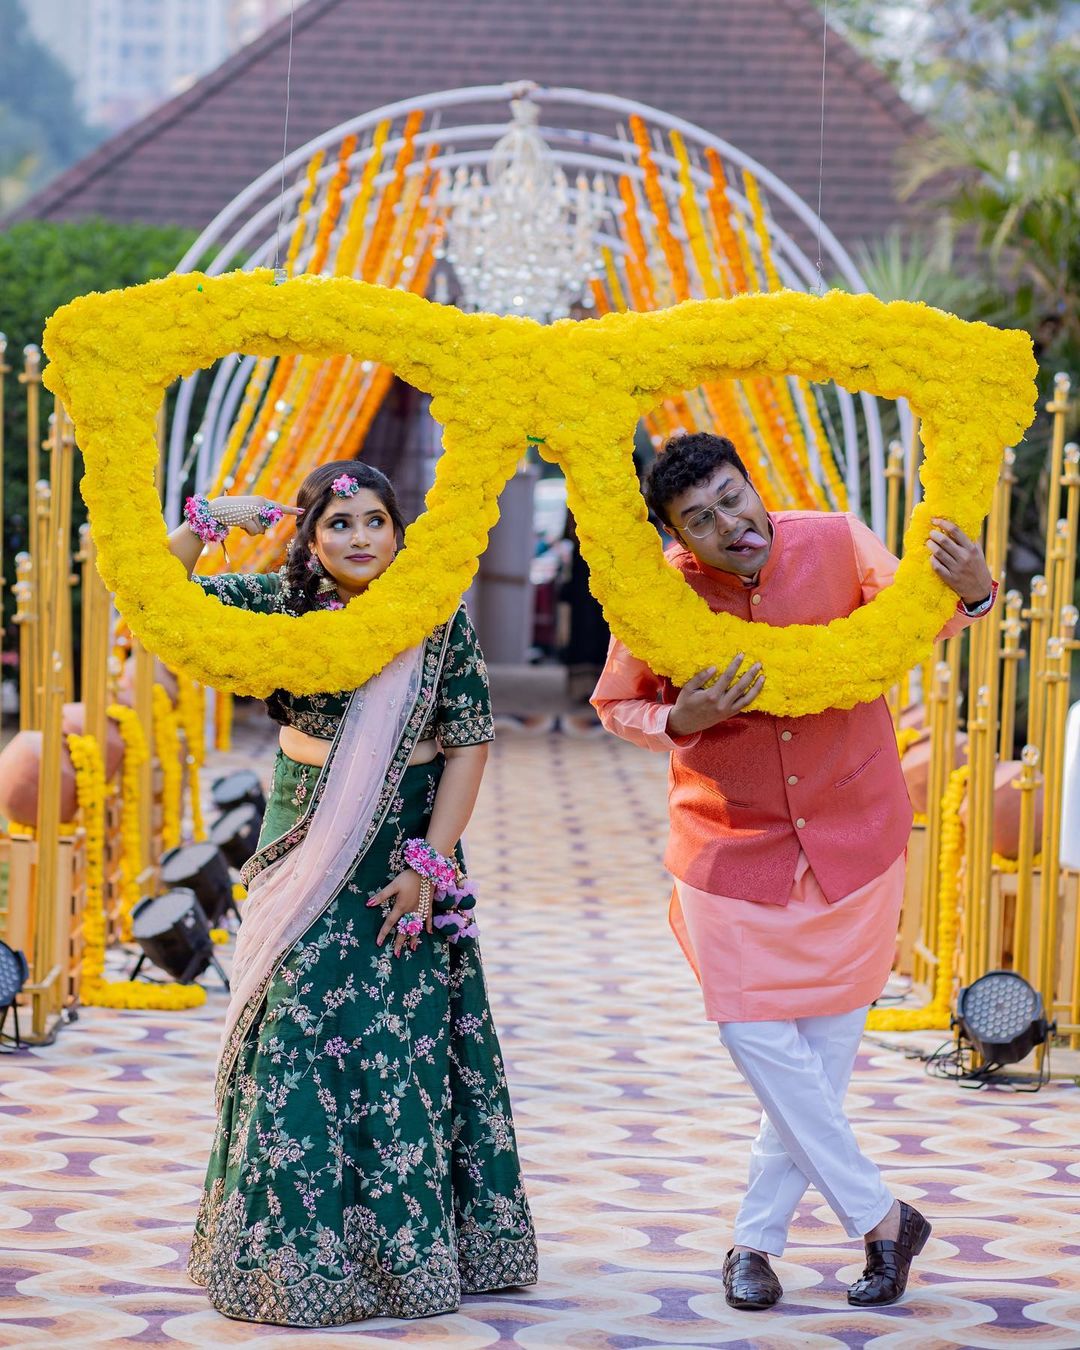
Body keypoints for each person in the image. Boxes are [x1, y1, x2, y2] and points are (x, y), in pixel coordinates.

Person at [591, 432, 997, 1312]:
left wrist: (976, 591)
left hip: (855, 838)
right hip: (727, 849)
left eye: (734, 499)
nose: (729, 524)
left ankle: (754, 1244)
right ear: (676, 537)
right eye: (700, 519)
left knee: (818, 1065)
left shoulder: (839, 538)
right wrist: (678, 716)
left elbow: (916, 617)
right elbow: (617, 703)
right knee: (755, 1038)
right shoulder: (657, 591)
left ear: (753, 487)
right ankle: (882, 1217)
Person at [171, 461, 537, 1327]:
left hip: (402, 856)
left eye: (375, 520)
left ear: (398, 531)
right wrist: (210, 518)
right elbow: (159, 599)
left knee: (394, 1046)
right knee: (292, 1030)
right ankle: (284, 1259)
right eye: (339, 524)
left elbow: (469, 743)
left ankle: (401, 1258)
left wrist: (429, 864)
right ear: (309, 536)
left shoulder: (433, 619)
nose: (360, 538)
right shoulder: (280, 603)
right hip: (303, 844)